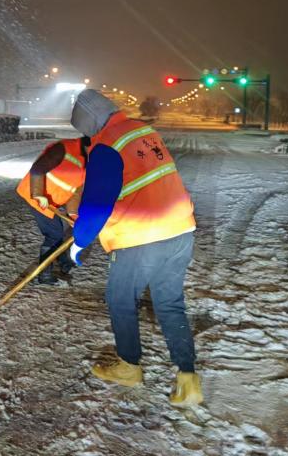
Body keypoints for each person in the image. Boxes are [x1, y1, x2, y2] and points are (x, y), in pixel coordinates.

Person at [67, 89, 203, 407]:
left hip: (142, 236)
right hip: (180, 230)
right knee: (170, 304)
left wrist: (80, 241)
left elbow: (97, 205)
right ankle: (188, 379)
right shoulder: (142, 131)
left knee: (120, 300)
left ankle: (129, 366)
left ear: (89, 122)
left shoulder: (106, 146)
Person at [15, 137, 88, 284]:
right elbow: (38, 168)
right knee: (54, 234)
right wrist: (38, 194)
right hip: (36, 198)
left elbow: (75, 193)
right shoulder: (64, 148)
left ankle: (64, 263)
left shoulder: (87, 162)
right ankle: (44, 275)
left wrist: (73, 215)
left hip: (50, 202)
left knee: (57, 232)